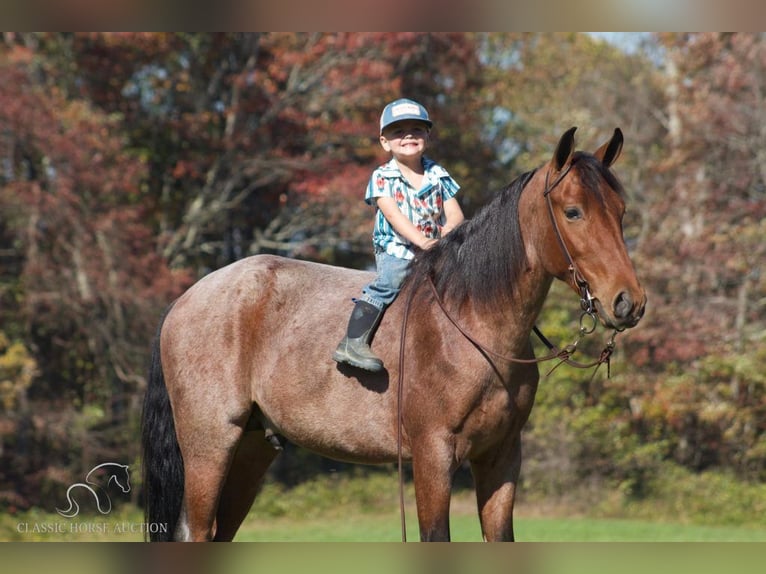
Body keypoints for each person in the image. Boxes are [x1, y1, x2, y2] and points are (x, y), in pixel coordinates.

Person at [333, 98, 464, 372]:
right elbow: (394, 217)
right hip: (398, 249)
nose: (408, 136)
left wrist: (448, 233)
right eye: (398, 131)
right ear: (384, 142)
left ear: (427, 135)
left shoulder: (437, 174)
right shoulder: (382, 177)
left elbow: (455, 214)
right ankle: (353, 342)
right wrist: (424, 242)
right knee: (389, 282)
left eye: (417, 129)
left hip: (435, 248)